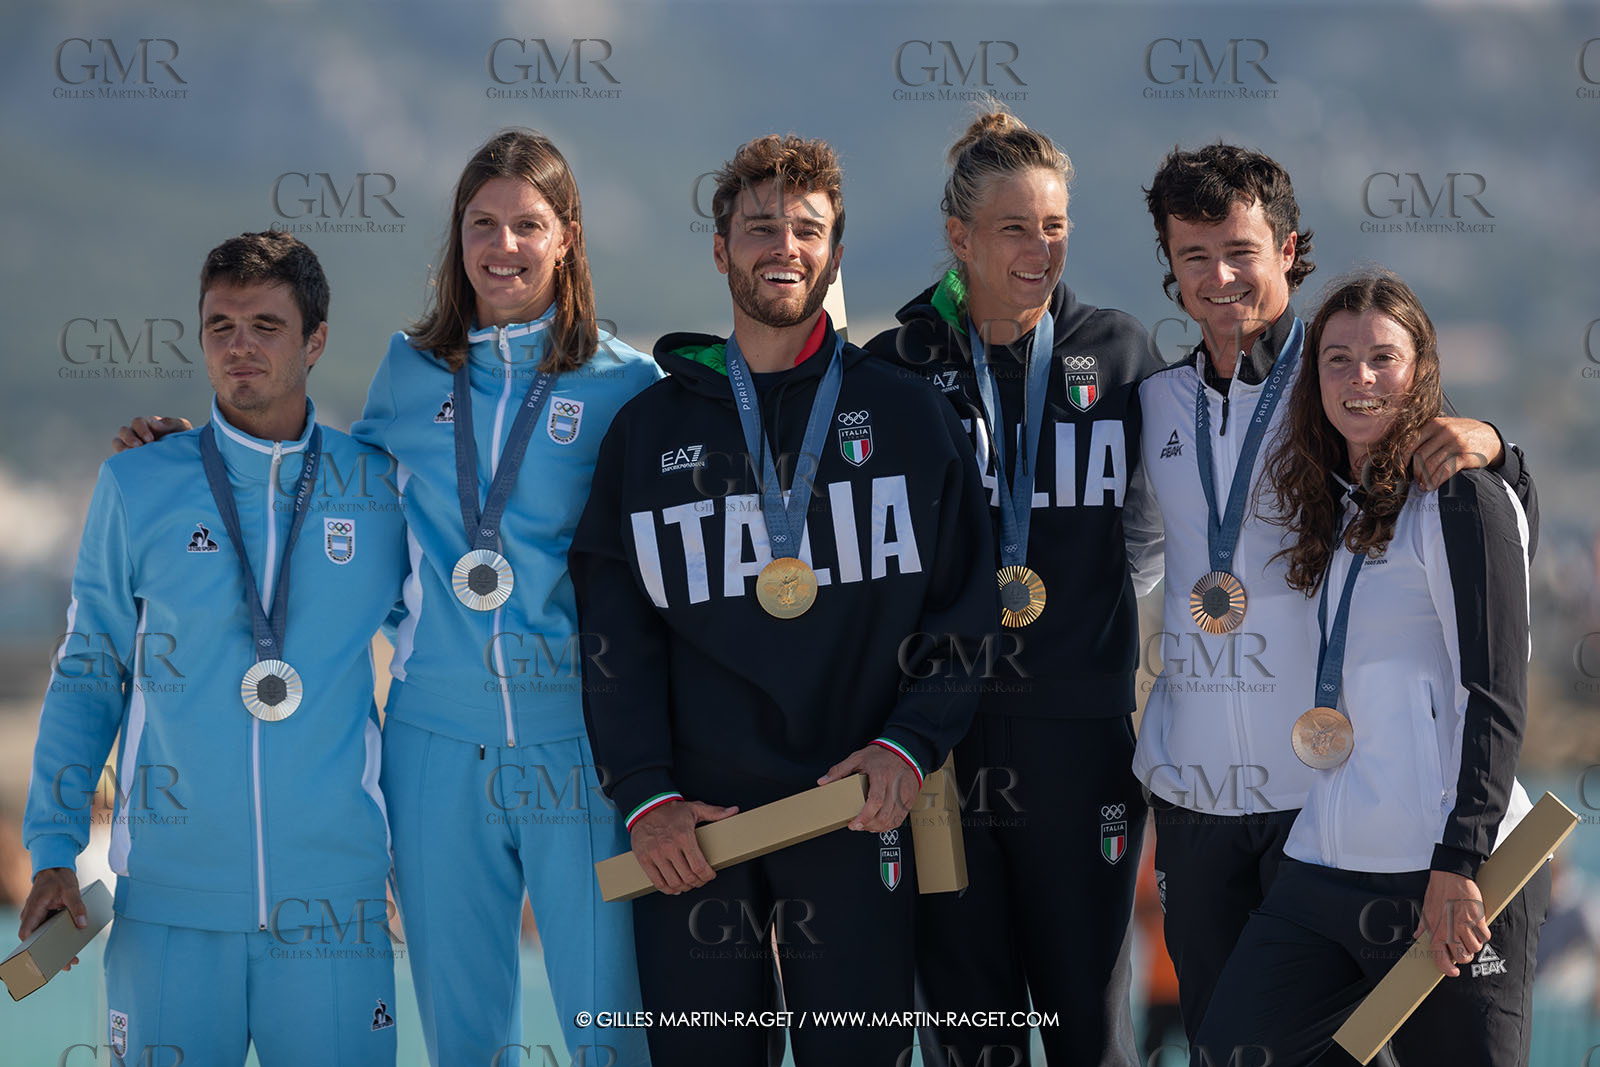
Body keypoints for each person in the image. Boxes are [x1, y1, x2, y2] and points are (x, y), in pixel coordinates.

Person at [112, 129, 660, 1067]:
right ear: (457, 237)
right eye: (481, 223)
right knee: (461, 1028)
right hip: (431, 746)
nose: (503, 245)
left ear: (566, 236)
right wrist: (188, 461)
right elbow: (329, 485)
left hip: (578, 740)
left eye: (528, 224)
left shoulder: (626, 383)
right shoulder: (412, 369)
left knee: (611, 1027)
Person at [569, 134, 997, 1067]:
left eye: (808, 230)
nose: (784, 246)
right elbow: (615, 634)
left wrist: (908, 744)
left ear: (835, 255)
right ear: (719, 250)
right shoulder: (648, 430)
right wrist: (646, 796)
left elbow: (964, 607)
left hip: (854, 803)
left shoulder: (906, 414)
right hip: (695, 825)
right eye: (760, 226)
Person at [1130, 143, 1538, 1051]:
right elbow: (1122, 561)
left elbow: (1486, 541)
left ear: (1287, 247)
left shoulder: (1339, 376)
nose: (1220, 276)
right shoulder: (1154, 403)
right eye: (1193, 255)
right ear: (1169, 268)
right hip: (1199, 799)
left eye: (1241, 249)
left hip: (1314, 799)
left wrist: (1500, 447)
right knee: (1225, 1045)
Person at [22, 231, 408, 1065]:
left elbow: (438, 653)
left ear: (316, 339)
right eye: (220, 325)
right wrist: (53, 848)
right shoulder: (138, 481)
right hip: (170, 908)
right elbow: (91, 669)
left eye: (266, 326)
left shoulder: (377, 490)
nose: (239, 346)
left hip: (334, 909)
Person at [864, 109, 1163, 1067]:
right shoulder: (894, 368)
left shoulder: (1117, 353)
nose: (1042, 249)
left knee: (1089, 1027)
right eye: (1015, 228)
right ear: (959, 237)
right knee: (969, 1032)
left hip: (1080, 740)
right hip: (938, 746)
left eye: (1056, 226)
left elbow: (1158, 535)